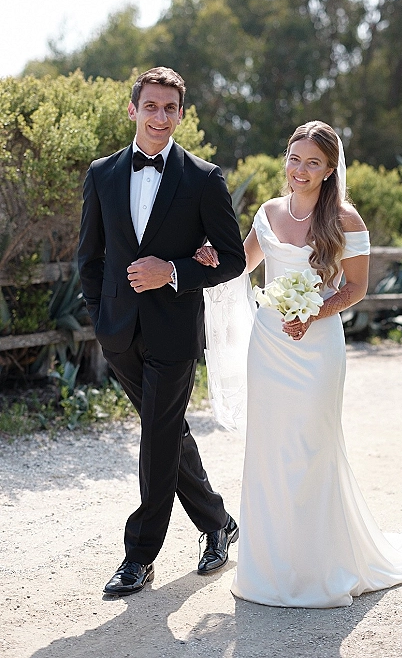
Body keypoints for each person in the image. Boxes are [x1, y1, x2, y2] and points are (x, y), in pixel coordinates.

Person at [195, 120, 402, 607]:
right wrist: (211, 257)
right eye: (294, 159)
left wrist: (313, 311)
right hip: (269, 345)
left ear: (330, 168)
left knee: (312, 449)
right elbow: (243, 266)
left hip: (317, 350)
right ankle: (271, 570)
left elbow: (355, 288)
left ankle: (319, 569)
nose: (300, 169)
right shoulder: (269, 211)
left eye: (312, 162)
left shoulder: (345, 220)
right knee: (271, 451)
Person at [78, 67, 246, 597]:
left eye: (169, 108)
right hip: (118, 330)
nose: (160, 117)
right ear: (133, 110)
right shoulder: (102, 174)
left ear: (180, 114)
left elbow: (234, 260)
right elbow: (90, 255)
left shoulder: (203, 178)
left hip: (174, 332)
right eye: (150, 106)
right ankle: (217, 522)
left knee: (155, 436)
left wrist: (172, 271)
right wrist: (99, 316)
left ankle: (138, 557)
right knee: (168, 431)